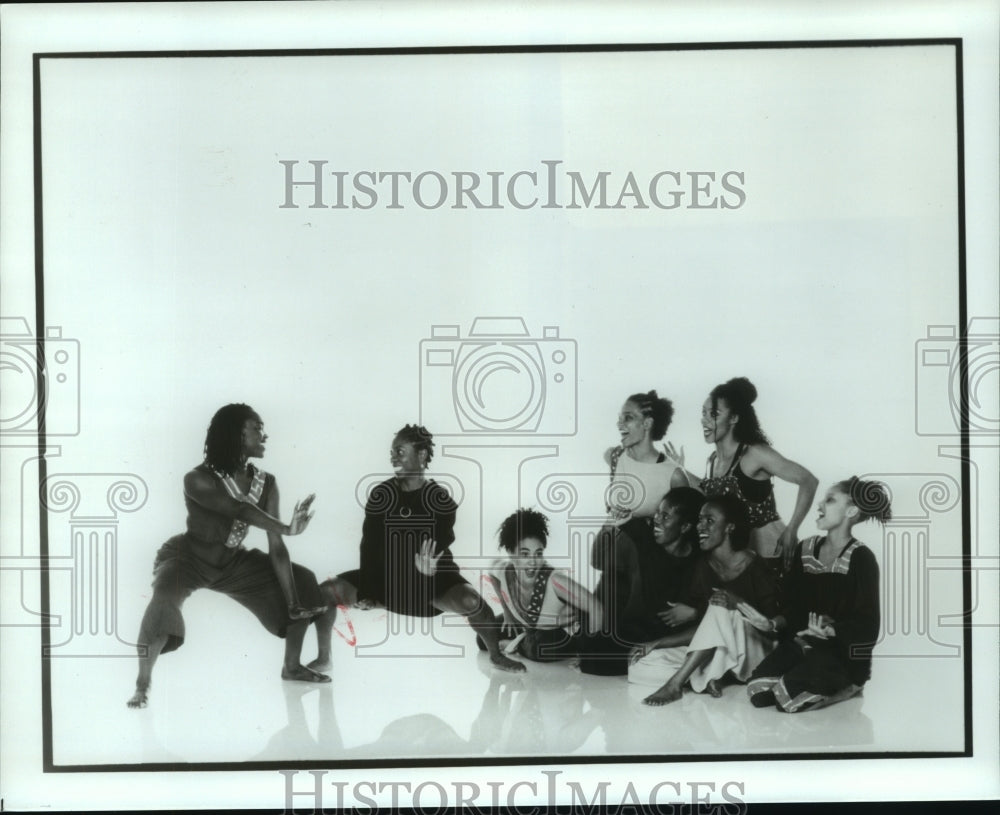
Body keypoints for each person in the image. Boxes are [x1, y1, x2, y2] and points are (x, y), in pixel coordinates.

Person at [127, 404, 332, 709]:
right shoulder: (196, 478)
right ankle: (142, 685)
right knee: (164, 598)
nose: (265, 435)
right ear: (236, 434)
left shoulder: (268, 482)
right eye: (257, 428)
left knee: (302, 579)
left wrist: (292, 603)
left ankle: (291, 667)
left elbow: (276, 546)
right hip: (188, 559)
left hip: (233, 564)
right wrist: (288, 527)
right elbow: (237, 508)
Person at [316, 424, 525, 672]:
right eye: (392, 452)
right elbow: (369, 545)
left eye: (400, 452)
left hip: (431, 584)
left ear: (422, 455)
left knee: (473, 603)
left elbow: (435, 548)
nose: (393, 457)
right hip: (387, 581)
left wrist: (427, 572)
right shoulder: (381, 494)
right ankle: (324, 657)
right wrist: (368, 592)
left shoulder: (441, 501)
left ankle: (496, 655)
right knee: (324, 592)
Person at [746, 477, 890, 713]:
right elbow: (792, 606)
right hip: (802, 643)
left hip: (840, 654)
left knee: (786, 701)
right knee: (757, 691)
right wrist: (772, 622)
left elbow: (869, 622)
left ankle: (851, 686)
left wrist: (832, 629)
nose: (820, 504)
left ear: (851, 511)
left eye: (830, 500)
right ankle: (805, 672)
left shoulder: (862, 558)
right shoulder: (805, 548)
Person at [582, 391, 698, 675]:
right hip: (613, 554)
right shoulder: (614, 457)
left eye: (628, 417)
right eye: (620, 417)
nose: (620, 423)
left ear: (648, 424)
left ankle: (635, 636)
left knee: (607, 656)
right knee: (588, 646)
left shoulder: (672, 473)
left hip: (647, 569)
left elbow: (695, 513)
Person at [629, 495, 780, 705]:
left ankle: (675, 685)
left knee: (720, 608)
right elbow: (706, 630)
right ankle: (715, 675)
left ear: (730, 527)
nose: (700, 526)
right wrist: (657, 643)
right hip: (720, 647)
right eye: (700, 520)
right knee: (641, 666)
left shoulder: (756, 566)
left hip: (757, 652)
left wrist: (737, 605)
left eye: (709, 521)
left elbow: (777, 626)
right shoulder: (702, 567)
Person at [700, 377, 818, 573]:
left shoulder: (754, 453)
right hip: (738, 563)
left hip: (773, 557)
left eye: (714, 414)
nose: (705, 420)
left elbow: (808, 480)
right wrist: (676, 468)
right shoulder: (712, 461)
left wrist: (792, 529)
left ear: (734, 418)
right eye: (703, 413)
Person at [485, 508, 603, 661]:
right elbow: (492, 575)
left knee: (539, 649)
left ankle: (517, 644)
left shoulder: (555, 581)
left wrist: (588, 656)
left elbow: (596, 607)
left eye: (538, 553)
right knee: (484, 637)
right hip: (527, 626)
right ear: (510, 552)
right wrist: (507, 612)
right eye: (525, 554)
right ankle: (521, 640)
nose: (533, 562)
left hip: (561, 632)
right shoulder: (502, 570)